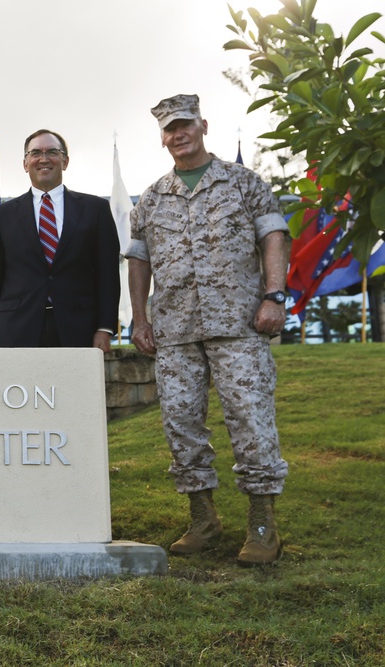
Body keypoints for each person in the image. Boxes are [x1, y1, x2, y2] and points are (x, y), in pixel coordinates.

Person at [126, 94, 290, 566]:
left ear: (202, 125)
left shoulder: (243, 182)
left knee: (251, 420)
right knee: (180, 423)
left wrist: (273, 296)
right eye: (169, 129)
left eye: (184, 125)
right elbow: (138, 261)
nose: (178, 134)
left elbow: (273, 236)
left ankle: (262, 526)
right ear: (162, 138)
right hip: (175, 329)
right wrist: (140, 318)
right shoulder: (153, 197)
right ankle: (203, 519)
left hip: (239, 322)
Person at [0, 129, 120, 349]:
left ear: (65, 161)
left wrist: (105, 328)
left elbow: (108, 274)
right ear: (25, 163)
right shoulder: (1, 216)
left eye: (52, 152)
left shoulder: (96, 210)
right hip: (15, 331)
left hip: (80, 330)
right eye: (35, 153)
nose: (44, 158)